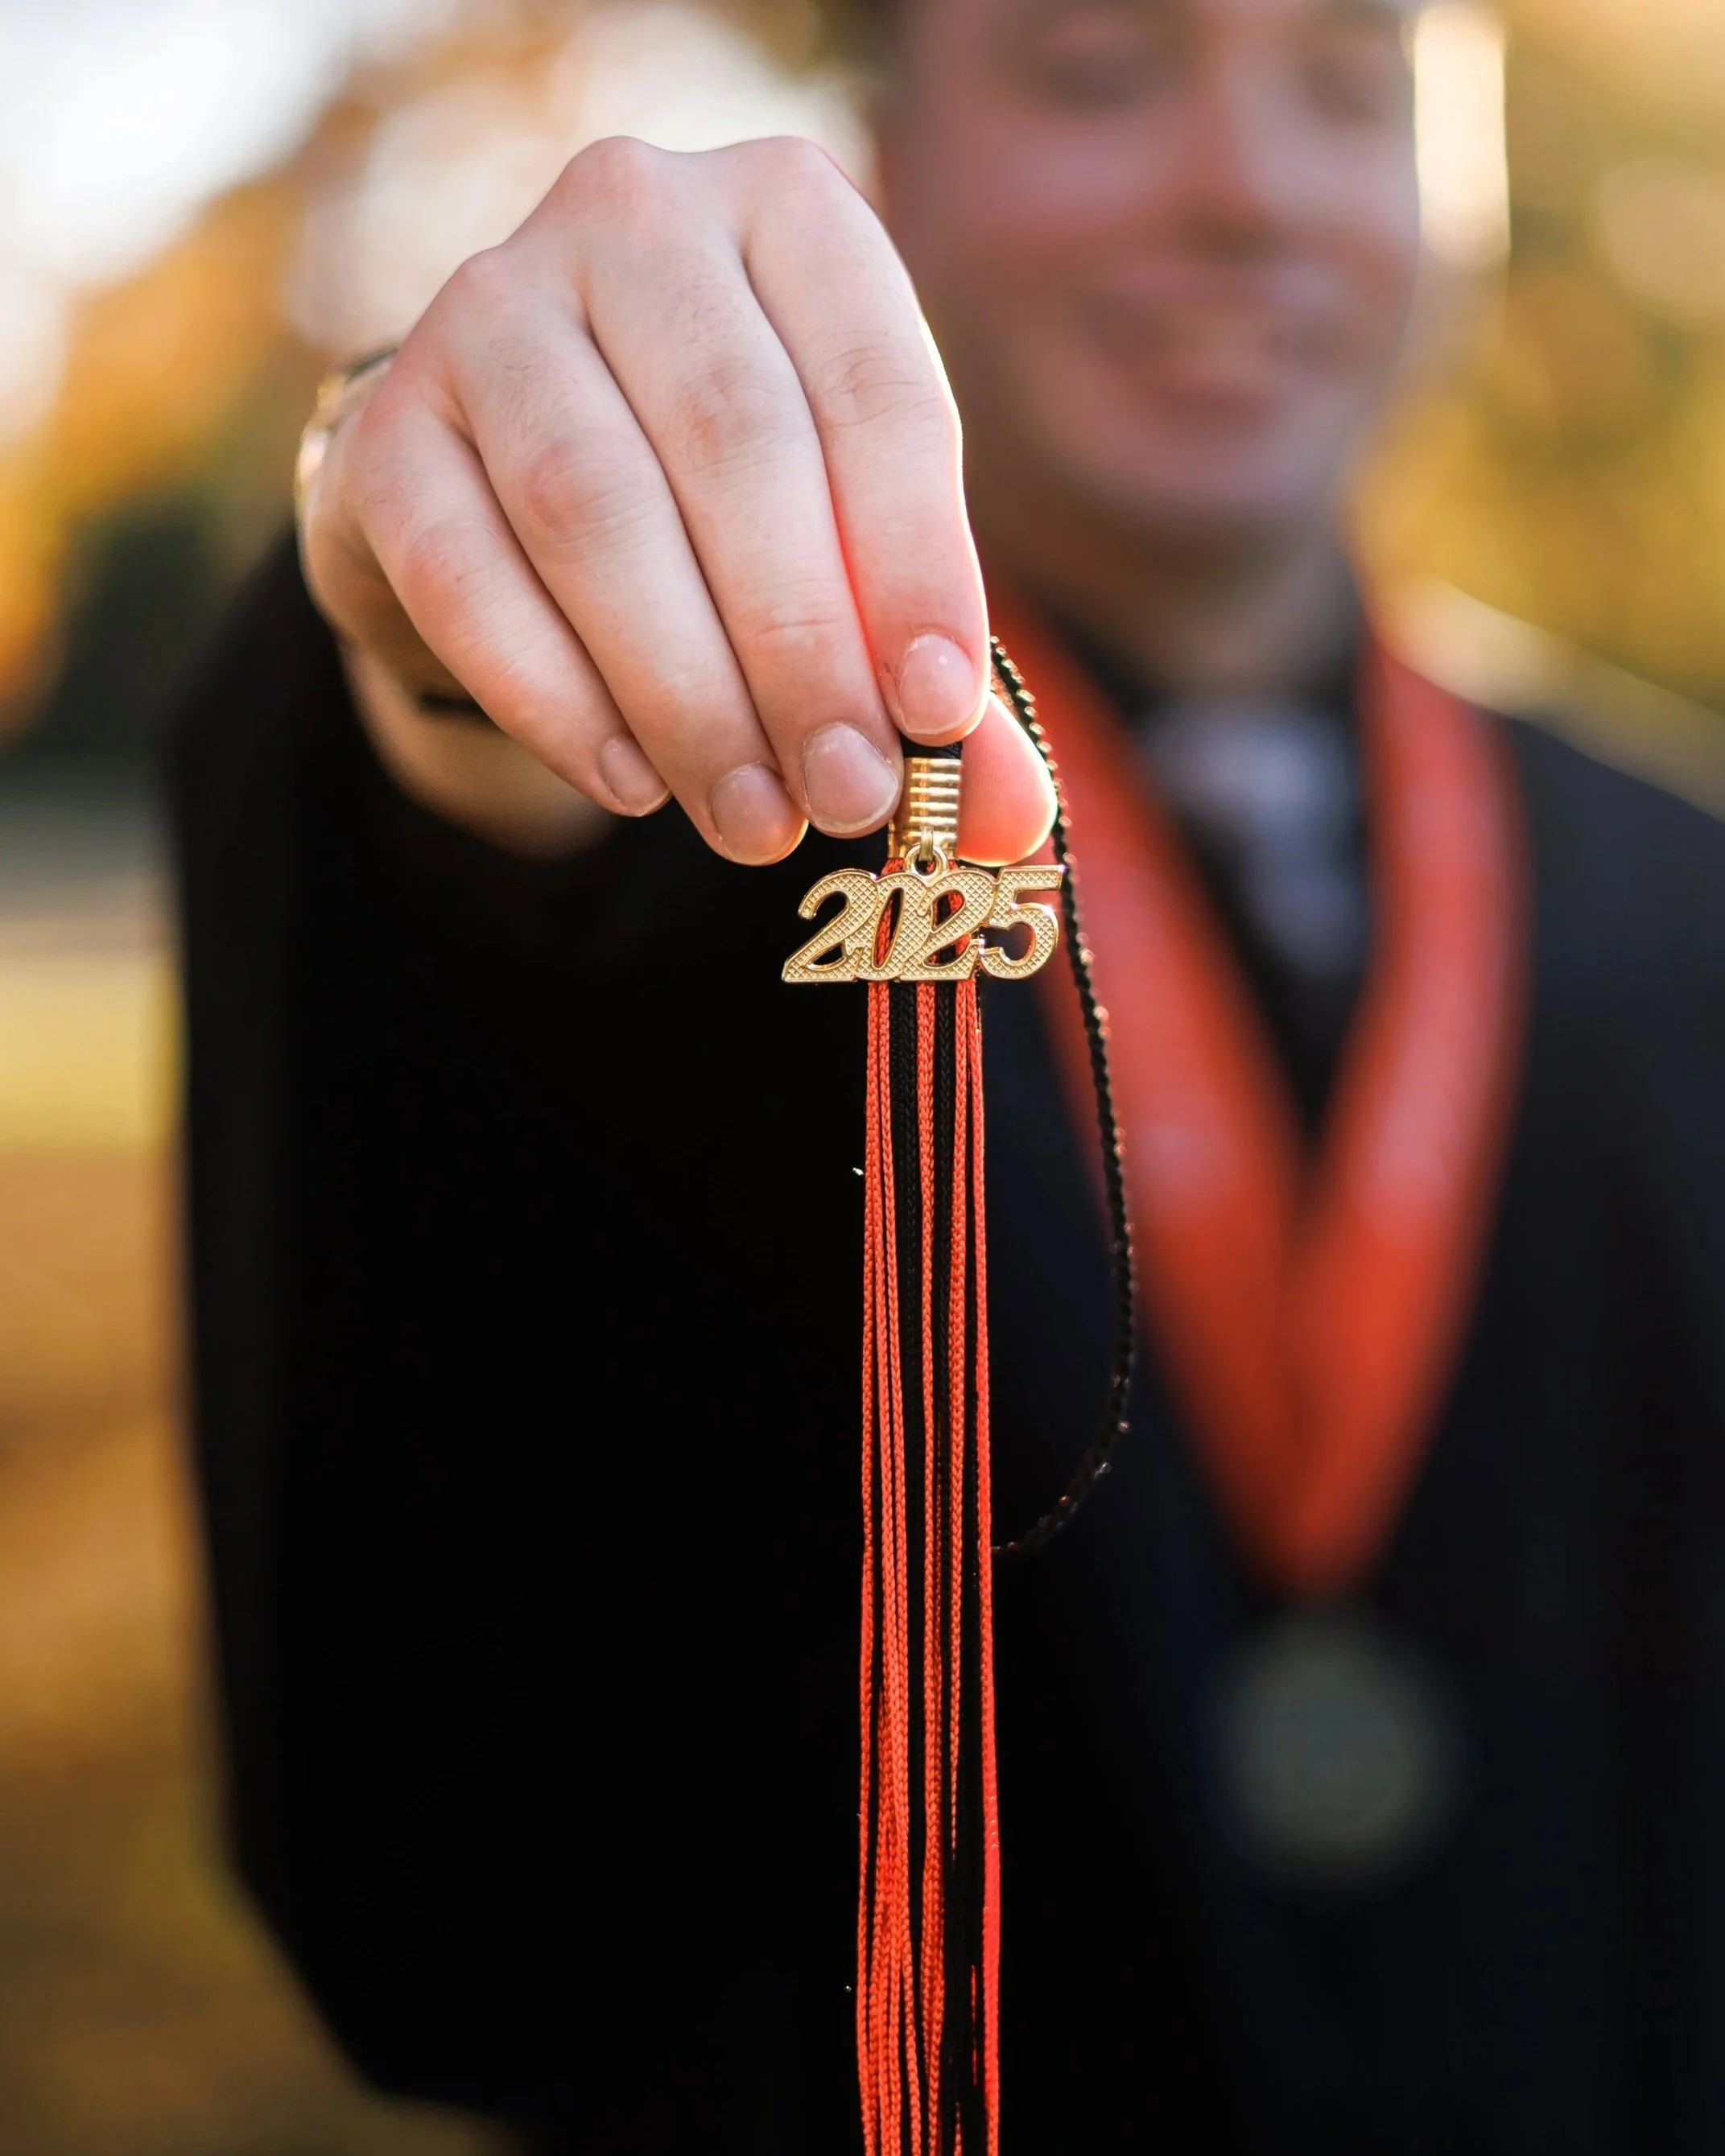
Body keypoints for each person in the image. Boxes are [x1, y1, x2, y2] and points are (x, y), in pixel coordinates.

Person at [169, 0, 1725, 2149]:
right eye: (1095, 70)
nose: (1243, 184)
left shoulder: (1680, 885)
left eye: (1349, 94)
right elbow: (449, 811)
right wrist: (419, 545)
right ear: (887, 167)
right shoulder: (719, 812)